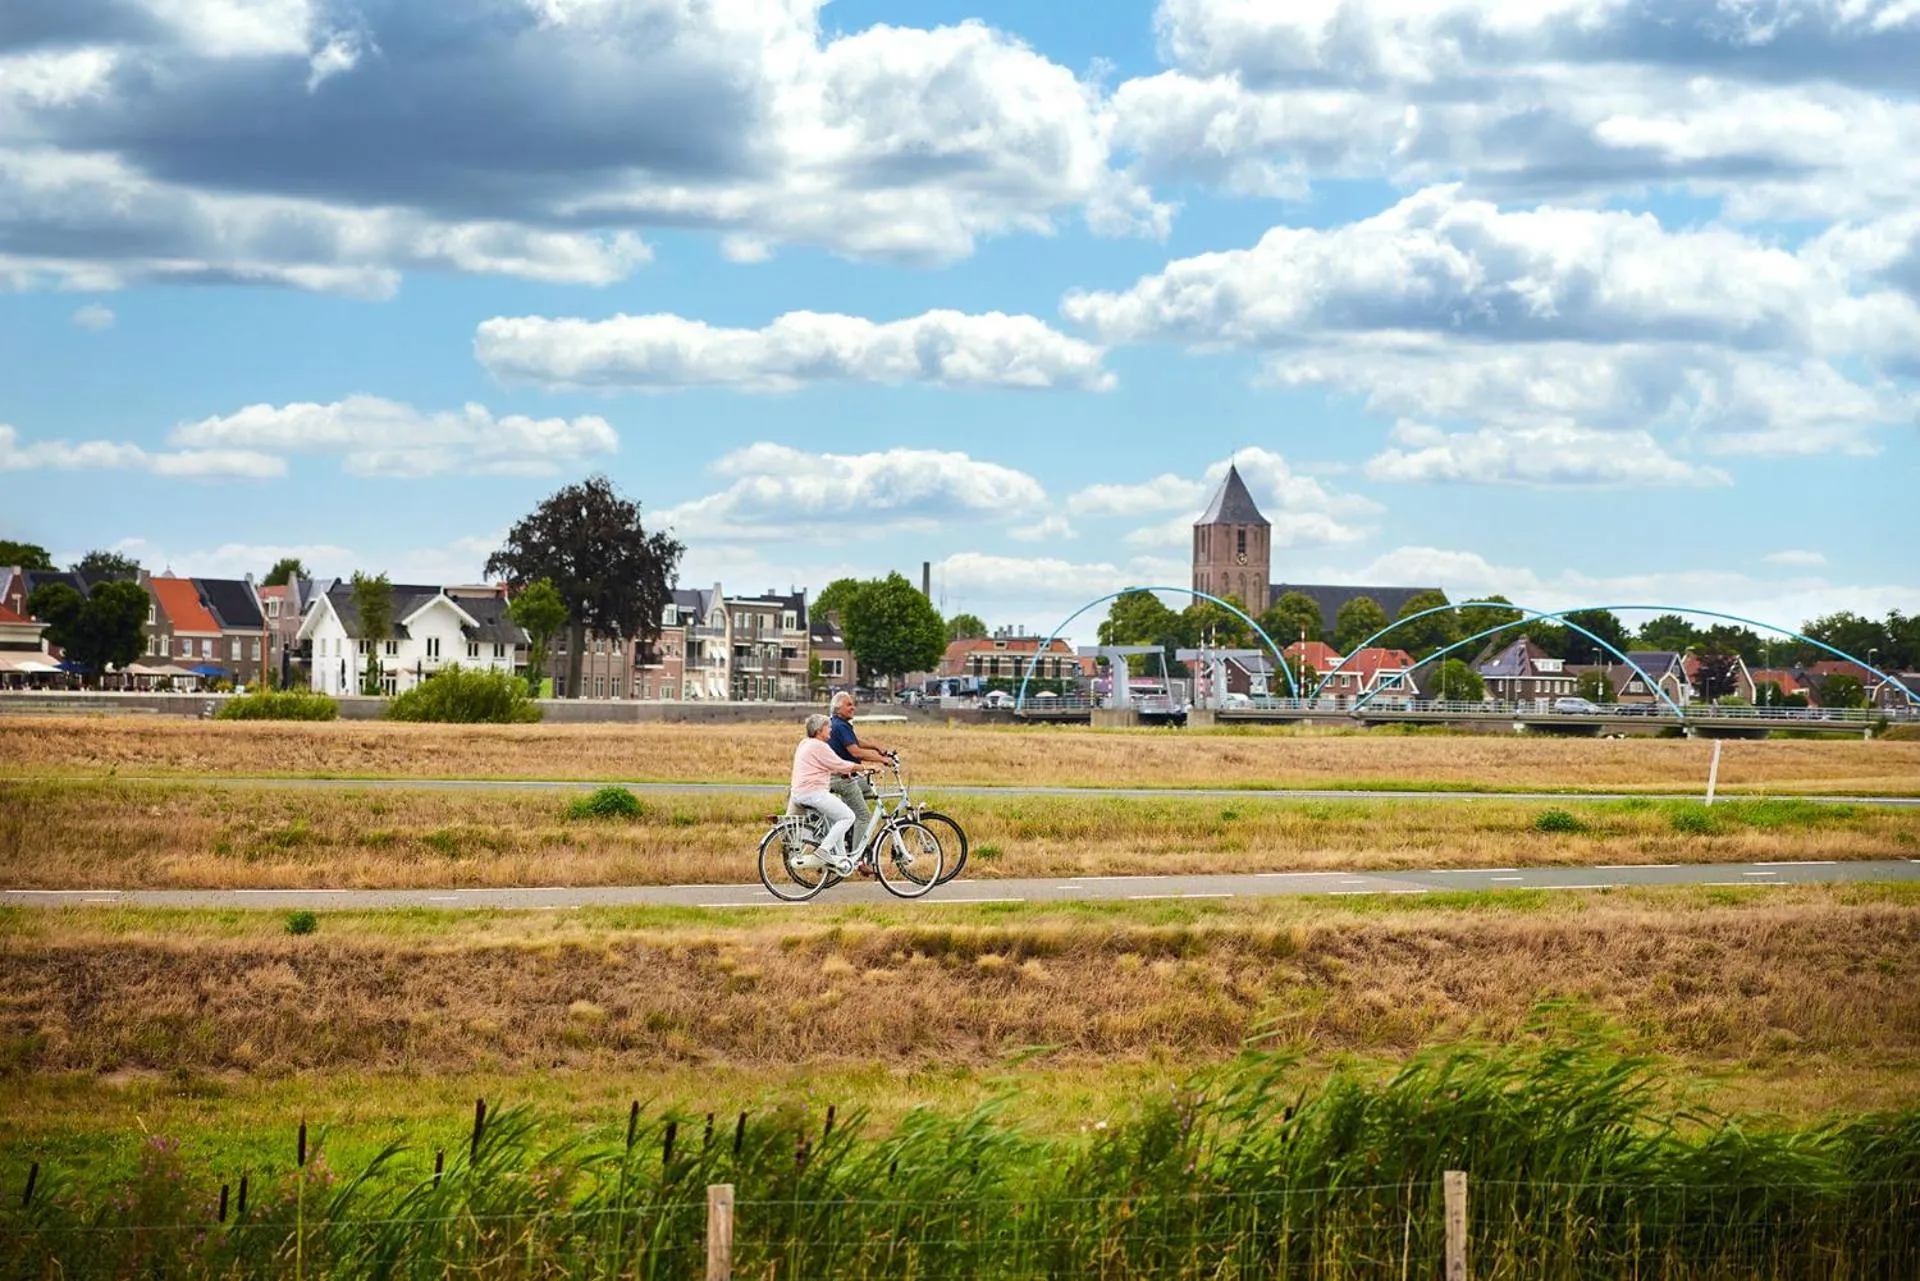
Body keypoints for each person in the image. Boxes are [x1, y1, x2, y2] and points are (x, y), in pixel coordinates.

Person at [790, 712, 873, 877]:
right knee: (848, 816)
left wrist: (844, 772)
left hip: (799, 793)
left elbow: (828, 765)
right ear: (820, 730)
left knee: (836, 818)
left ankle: (841, 860)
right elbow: (839, 763)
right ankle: (823, 850)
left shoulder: (805, 743)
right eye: (828, 727)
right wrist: (865, 768)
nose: (831, 729)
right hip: (814, 792)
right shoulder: (819, 746)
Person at [826, 690, 895, 863]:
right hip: (843, 777)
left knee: (868, 788)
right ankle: (858, 859)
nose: (853, 707)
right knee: (863, 815)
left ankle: (847, 836)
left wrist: (876, 747)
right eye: (849, 704)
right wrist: (882, 760)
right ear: (838, 708)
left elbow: (855, 741)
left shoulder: (839, 724)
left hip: (846, 776)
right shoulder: (840, 726)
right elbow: (855, 751)